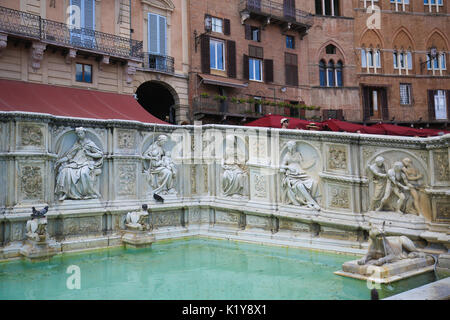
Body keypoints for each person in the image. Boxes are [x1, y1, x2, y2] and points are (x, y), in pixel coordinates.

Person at [55, 127, 104, 201]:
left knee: (83, 173)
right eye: (78, 134)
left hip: (87, 163)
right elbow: (70, 156)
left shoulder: (90, 143)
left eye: (81, 133)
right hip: (75, 162)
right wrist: (60, 161)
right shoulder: (77, 144)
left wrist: (89, 154)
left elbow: (100, 154)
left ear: (84, 133)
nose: (80, 135)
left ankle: (88, 193)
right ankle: (66, 193)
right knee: (64, 171)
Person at [280, 141, 320, 210]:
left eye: (292, 147)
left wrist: (313, 162)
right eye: (290, 147)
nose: (291, 149)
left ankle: (312, 200)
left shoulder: (298, 154)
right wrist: (288, 167)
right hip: (292, 176)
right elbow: (281, 166)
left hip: (301, 174)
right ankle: (312, 202)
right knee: (300, 185)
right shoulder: (287, 155)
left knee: (314, 182)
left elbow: (304, 165)